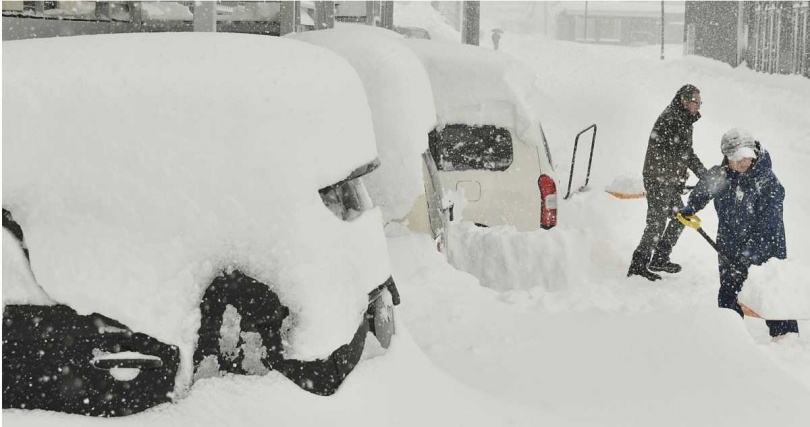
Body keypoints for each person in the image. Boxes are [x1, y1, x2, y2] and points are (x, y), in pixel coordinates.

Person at [679, 129, 798, 340]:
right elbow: (704, 190)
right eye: (736, 159)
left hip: (765, 249)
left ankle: (787, 341)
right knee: (728, 296)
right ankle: (730, 340)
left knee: (771, 298)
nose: (742, 163)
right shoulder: (722, 174)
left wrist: (747, 257)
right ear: (727, 157)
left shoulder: (767, 183)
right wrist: (690, 208)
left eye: (746, 157)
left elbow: (769, 228)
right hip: (729, 245)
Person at [628, 84, 707, 281]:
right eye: (695, 101)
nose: (698, 105)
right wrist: (703, 174)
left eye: (700, 102)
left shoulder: (682, 118)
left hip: (667, 177)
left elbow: (682, 153)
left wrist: (682, 177)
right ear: (683, 100)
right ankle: (639, 264)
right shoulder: (673, 119)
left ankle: (660, 258)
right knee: (656, 222)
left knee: (681, 217)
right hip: (658, 178)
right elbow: (684, 154)